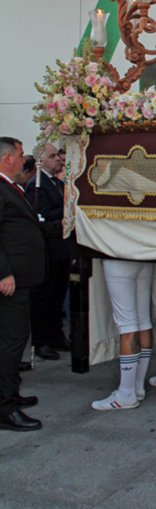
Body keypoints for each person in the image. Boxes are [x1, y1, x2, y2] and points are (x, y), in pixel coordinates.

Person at [0, 137, 61, 431]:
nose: (26, 160)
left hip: (22, 277)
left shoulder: (11, 187)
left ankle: (9, 395)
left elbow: (29, 226)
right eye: (21, 154)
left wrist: (60, 227)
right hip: (10, 281)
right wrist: (3, 273)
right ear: (7, 158)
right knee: (11, 343)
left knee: (14, 340)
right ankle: (5, 408)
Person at [25, 143, 70, 359]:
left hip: (61, 249)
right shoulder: (37, 184)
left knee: (57, 295)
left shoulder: (56, 183)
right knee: (44, 297)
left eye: (57, 156)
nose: (58, 160)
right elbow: (42, 214)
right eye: (52, 156)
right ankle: (41, 340)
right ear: (41, 159)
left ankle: (56, 335)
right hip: (48, 249)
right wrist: (69, 208)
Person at [92, 259, 154, 411]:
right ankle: (137, 387)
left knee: (127, 326)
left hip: (118, 257)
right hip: (145, 256)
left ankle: (126, 393)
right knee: (143, 321)